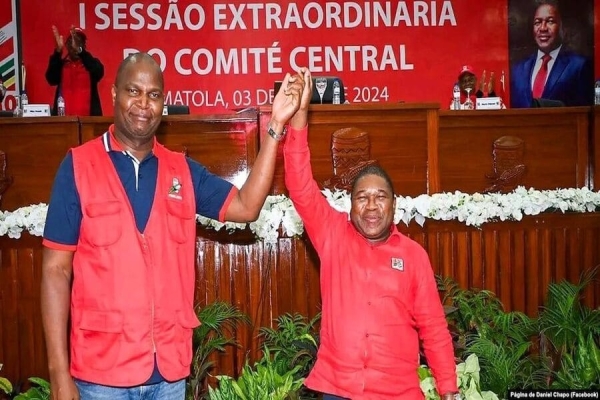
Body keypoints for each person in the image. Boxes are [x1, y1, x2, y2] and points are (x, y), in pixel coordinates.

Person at [40, 52, 306, 400]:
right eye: (133, 91)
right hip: (99, 378)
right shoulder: (77, 166)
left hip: (168, 377)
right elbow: (55, 272)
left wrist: (276, 125)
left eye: (153, 95)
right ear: (114, 94)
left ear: (163, 104)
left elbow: (247, 205)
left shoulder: (182, 170)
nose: (143, 104)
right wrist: (59, 373)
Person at [284, 68, 459, 399]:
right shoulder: (332, 234)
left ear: (394, 206)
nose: (372, 206)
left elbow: (434, 328)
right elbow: (299, 183)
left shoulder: (413, 256)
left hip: (398, 392)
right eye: (362, 198)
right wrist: (300, 116)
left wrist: (448, 389)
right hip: (337, 388)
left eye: (381, 198)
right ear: (350, 206)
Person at [510, 0, 593, 108]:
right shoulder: (518, 70)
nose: (543, 28)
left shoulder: (579, 66)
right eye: (537, 22)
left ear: (561, 27)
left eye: (550, 21)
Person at [45, 25, 104, 116]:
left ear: (84, 46)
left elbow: (99, 72)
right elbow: (51, 79)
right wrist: (57, 52)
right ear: (67, 45)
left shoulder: (90, 64)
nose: (75, 45)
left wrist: (81, 52)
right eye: (73, 42)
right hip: (64, 123)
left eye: (79, 43)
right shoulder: (61, 65)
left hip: (88, 123)